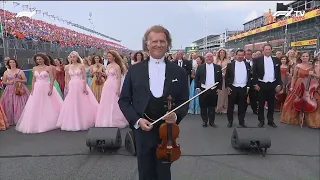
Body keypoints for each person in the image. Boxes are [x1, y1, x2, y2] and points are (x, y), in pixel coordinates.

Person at [118, 25, 189, 180]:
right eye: (154, 41)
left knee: (164, 173)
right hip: (143, 130)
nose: (158, 45)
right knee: (145, 172)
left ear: (168, 44)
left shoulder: (180, 72)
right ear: (147, 44)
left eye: (162, 41)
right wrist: (137, 120)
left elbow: (184, 101)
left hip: (168, 132)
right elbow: (124, 101)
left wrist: (176, 115)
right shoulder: (134, 70)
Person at [15, 53, 63, 134]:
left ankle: (50, 120)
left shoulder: (49, 68)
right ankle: (36, 121)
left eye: (40, 59)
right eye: (37, 59)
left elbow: (51, 79)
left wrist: (51, 88)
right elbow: (33, 79)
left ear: (44, 59)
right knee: (36, 105)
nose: (39, 61)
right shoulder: (34, 68)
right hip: (37, 88)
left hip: (46, 86)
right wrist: (33, 89)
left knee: (48, 104)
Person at [57, 51, 98, 131]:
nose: (73, 58)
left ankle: (85, 119)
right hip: (72, 85)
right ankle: (73, 120)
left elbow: (85, 77)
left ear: (77, 57)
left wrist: (84, 87)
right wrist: (67, 87)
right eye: (71, 57)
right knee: (72, 103)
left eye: (74, 57)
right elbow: (67, 78)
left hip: (80, 84)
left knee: (82, 102)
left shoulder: (81, 66)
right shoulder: (68, 67)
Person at [95, 50, 128, 128]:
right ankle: (105, 119)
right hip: (107, 84)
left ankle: (115, 120)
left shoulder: (117, 66)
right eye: (108, 56)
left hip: (114, 85)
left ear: (114, 57)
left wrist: (118, 89)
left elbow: (119, 78)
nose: (108, 57)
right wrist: (101, 73)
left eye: (110, 56)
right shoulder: (108, 65)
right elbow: (107, 75)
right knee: (106, 101)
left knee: (114, 101)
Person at [252, 44, 282, 128]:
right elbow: (254, 73)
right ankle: (261, 121)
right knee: (261, 104)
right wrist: (255, 84)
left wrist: (279, 84)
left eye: (269, 49)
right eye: (266, 49)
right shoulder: (257, 60)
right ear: (263, 51)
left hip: (272, 84)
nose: (268, 51)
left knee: (271, 104)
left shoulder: (276, 60)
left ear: (271, 50)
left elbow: (278, 74)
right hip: (261, 84)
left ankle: (270, 120)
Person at [195, 52, 222, 127]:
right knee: (203, 106)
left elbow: (220, 79)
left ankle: (212, 122)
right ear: (205, 58)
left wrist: (219, 88)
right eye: (207, 57)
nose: (209, 58)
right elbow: (197, 78)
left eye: (210, 57)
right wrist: (198, 87)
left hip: (213, 89)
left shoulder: (218, 67)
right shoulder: (200, 67)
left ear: (213, 58)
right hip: (203, 89)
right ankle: (204, 121)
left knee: (212, 107)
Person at [225, 49, 251, 128]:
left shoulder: (247, 64)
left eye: (242, 55)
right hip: (233, 88)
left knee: (242, 106)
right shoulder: (230, 65)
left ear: (244, 55)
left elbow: (249, 76)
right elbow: (227, 77)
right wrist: (227, 87)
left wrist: (248, 87)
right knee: (230, 106)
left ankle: (241, 121)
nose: (240, 57)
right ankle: (230, 121)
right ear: (236, 55)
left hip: (243, 88)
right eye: (239, 55)